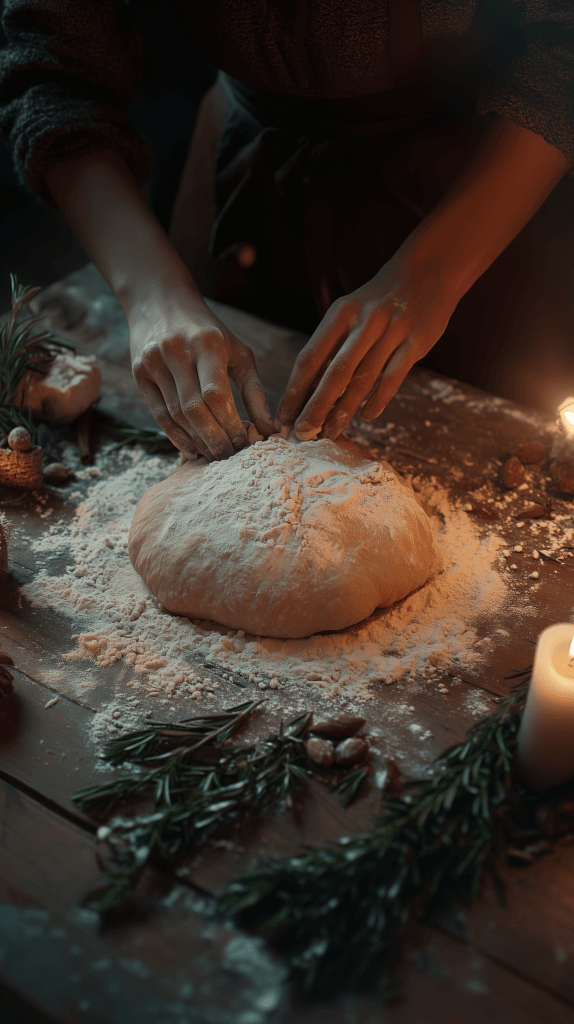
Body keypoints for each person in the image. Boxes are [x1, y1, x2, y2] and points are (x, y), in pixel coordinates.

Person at [0, 0, 573, 462]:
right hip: (244, 178)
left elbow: (561, 52)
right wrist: (154, 295)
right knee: (217, 405)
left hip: (483, 194)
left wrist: (431, 275)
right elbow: (52, 72)